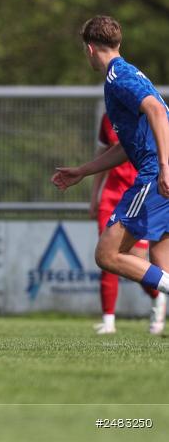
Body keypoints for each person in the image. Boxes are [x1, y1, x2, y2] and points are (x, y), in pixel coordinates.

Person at [52, 16, 169, 318]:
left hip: (155, 174)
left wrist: (164, 167)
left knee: (107, 254)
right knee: (159, 256)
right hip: (158, 169)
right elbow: (124, 147)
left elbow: (157, 110)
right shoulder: (126, 74)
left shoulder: (119, 76)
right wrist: (83, 170)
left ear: (89, 49)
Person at [90, 112, 165, 334]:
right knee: (105, 255)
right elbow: (104, 154)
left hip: (140, 196)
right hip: (111, 196)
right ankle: (108, 320)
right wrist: (94, 196)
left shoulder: (150, 116)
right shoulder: (108, 118)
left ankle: (159, 295)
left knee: (135, 262)